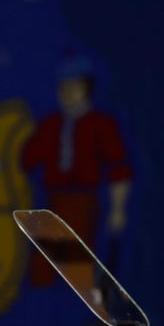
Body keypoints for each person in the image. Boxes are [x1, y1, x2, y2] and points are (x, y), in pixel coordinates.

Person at [20, 55, 134, 287]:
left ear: (87, 88)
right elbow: (28, 160)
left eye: (74, 87)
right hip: (51, 202)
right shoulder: (50, 125)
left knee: (78, 265)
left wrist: (118, 209)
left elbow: (119, 169)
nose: (67, 93)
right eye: (63, 87)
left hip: (84, 201)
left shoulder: (101, 125)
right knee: (43, 263)